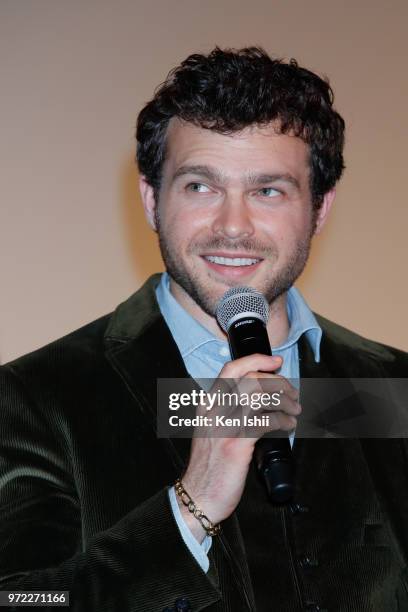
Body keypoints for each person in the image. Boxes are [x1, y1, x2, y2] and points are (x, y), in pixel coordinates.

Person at [0, 47, 407, 612]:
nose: (232, 226)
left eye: (268, 191)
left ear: (319, 209)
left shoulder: (392, 388)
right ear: (151, 200)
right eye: (200, 186)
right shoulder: (37, 397)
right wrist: (189, 507)